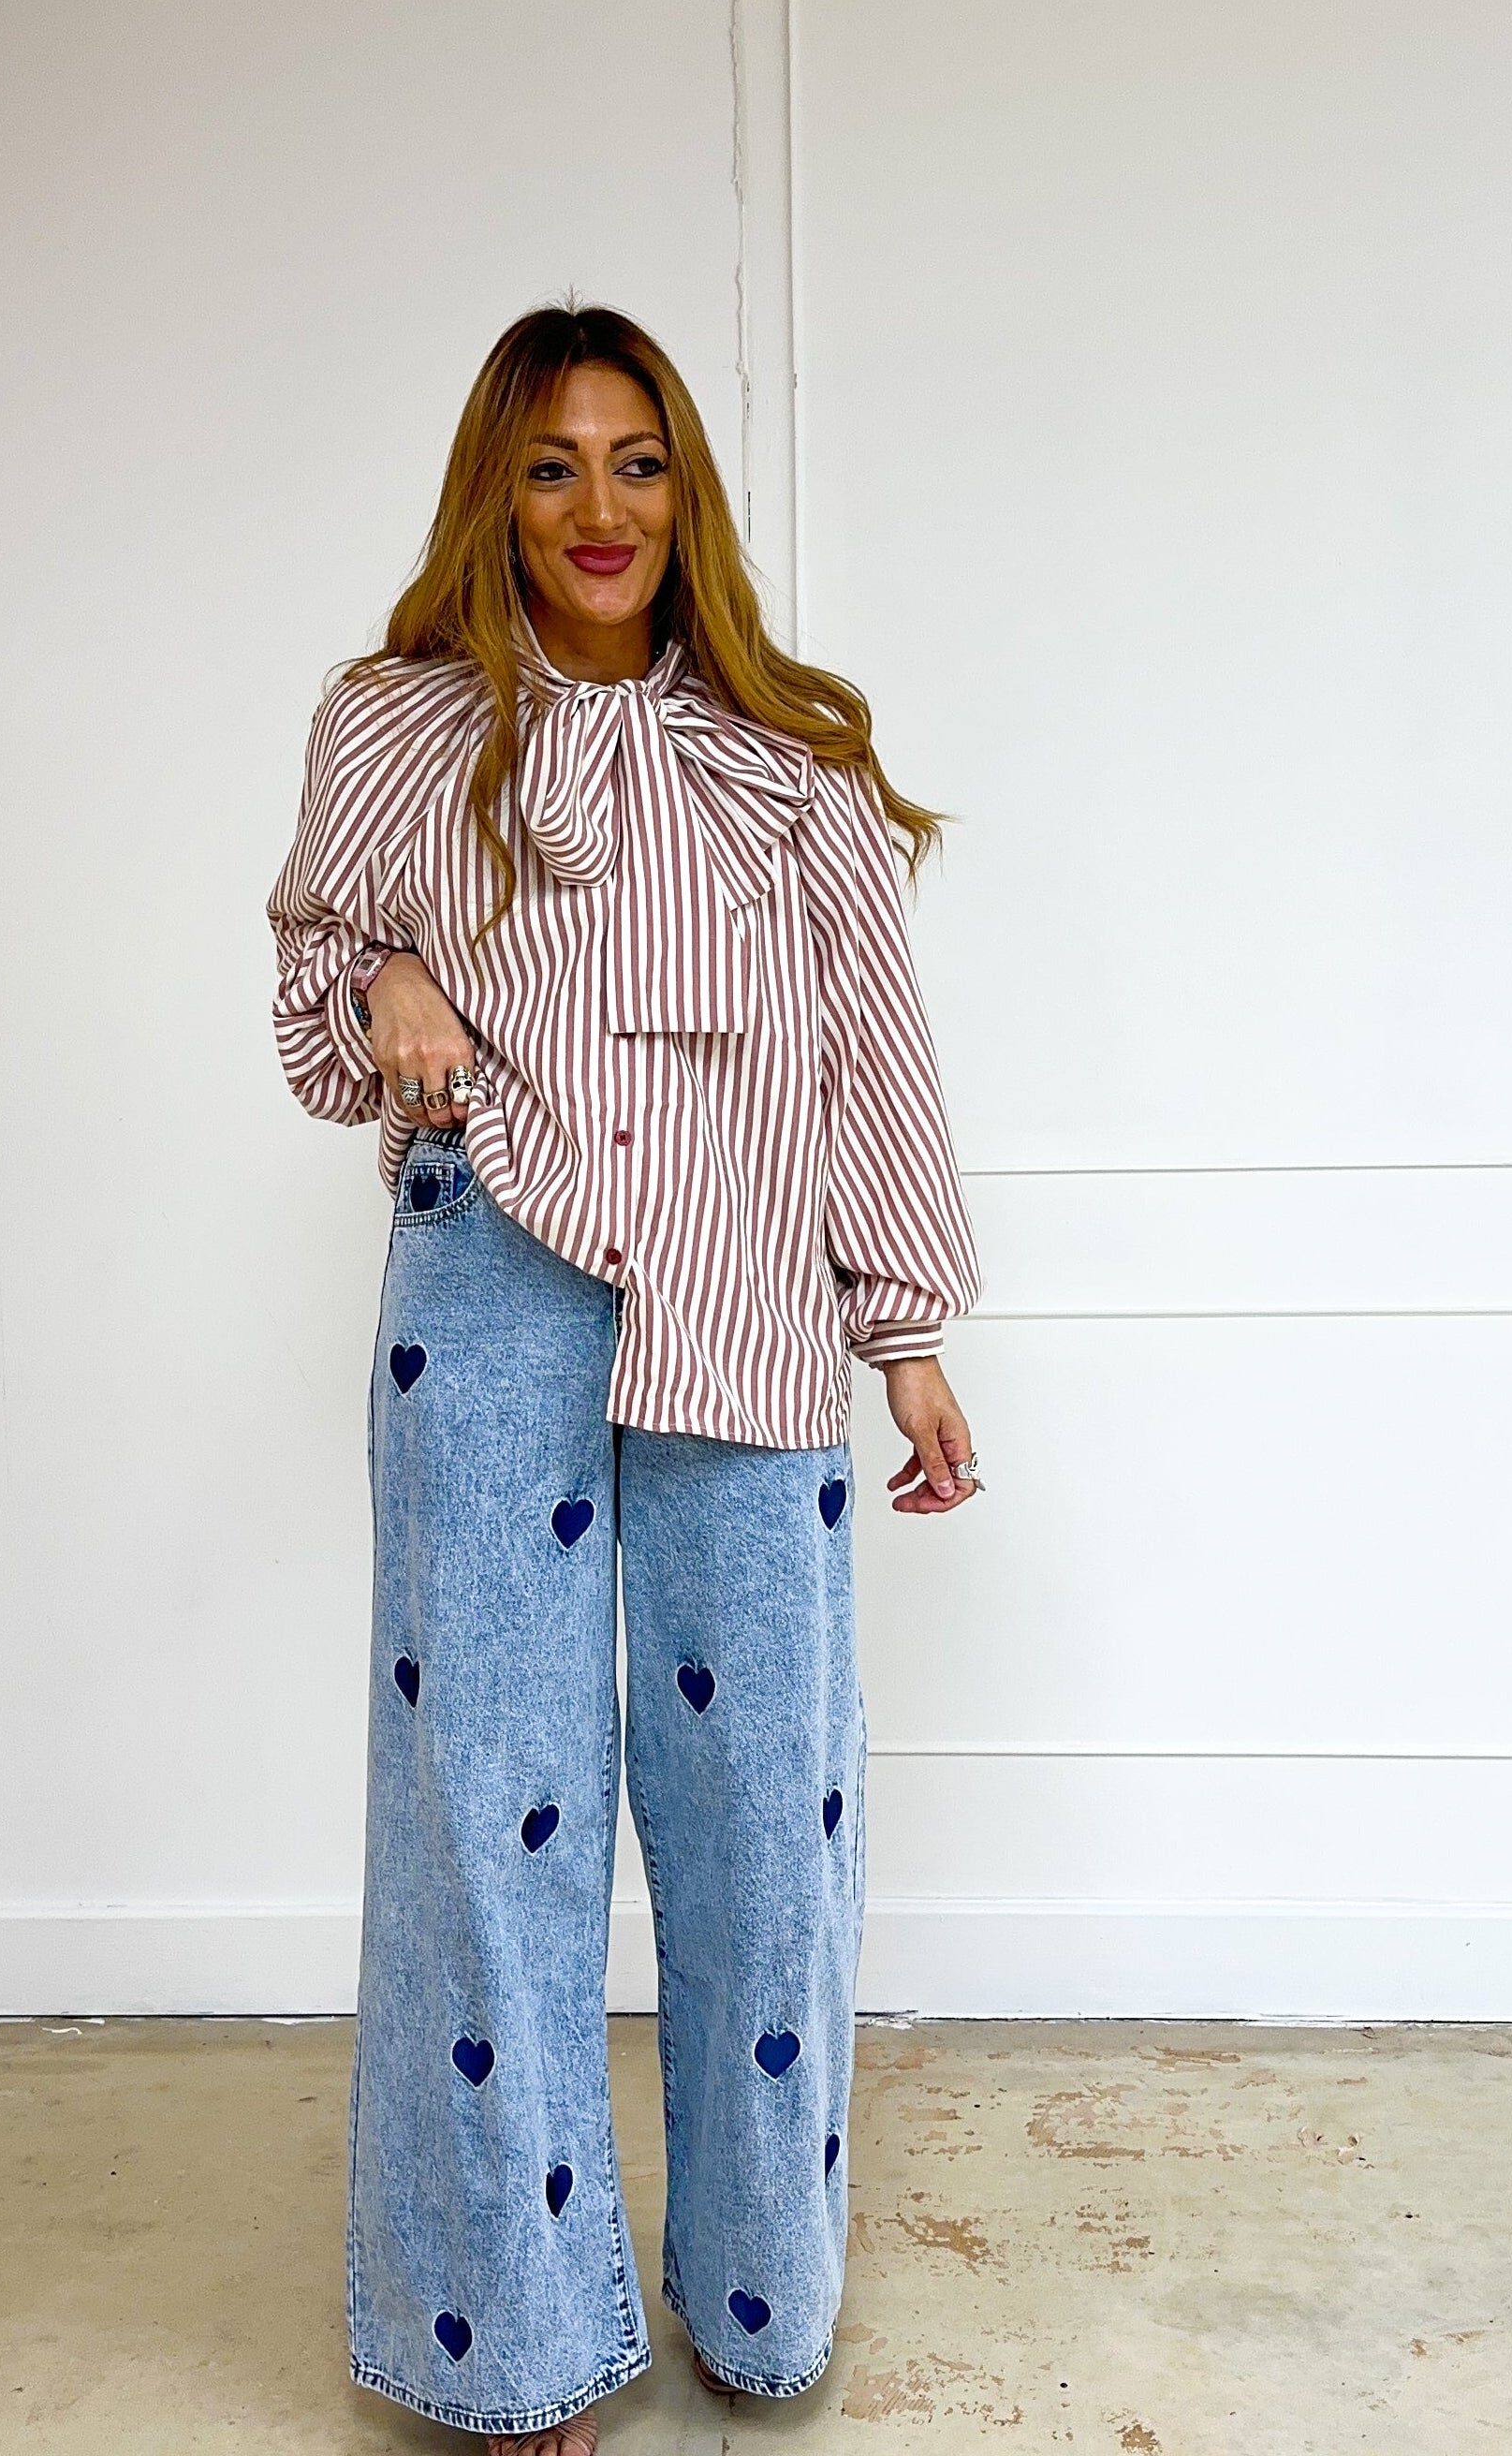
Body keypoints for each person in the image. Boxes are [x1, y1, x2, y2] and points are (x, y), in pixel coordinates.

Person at [266, 303, 983, 2456]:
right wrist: (390, 964)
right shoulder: (392, 726)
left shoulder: (795, 763)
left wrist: (913, 1332)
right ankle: (510, 2336)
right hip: (492, 1283)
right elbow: (313, 983)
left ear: (691, 496)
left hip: (751, 1305)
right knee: (488, 1822)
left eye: (642, 461)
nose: (602, 508)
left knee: (770, 1814)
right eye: (558, 463)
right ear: (499, 488)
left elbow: (868, 1049)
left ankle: (762, 2306)